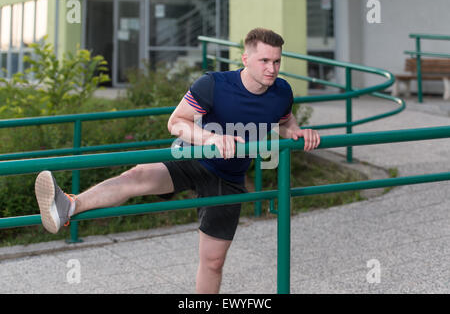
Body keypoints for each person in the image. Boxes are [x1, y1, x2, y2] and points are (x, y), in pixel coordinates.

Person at [34, 28, 320, 293]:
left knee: (213, 262)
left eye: (277, 62)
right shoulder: (213, 84)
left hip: (228, 179)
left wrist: (295, 131)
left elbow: (283, 120)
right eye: (264, 61)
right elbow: (176, 122)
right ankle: (68, 206)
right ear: (245, 58)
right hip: (192, 156)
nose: (271, 69)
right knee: (137, 176)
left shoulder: (281, 91)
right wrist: (210, 139)